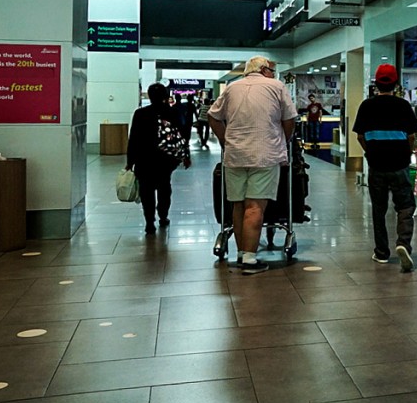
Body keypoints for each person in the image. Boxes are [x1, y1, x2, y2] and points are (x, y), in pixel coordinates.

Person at [208, 56, 297, 274]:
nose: (274, 74)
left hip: (235, 154)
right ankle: (249, 259)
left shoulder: (232, 87)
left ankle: (241, 252)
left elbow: (212, 116)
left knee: (238, 205)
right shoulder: (276, 87)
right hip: (264, 154)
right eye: (272, 70)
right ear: (264, 70)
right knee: (255, 205)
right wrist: (282, 141)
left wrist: (224, 141)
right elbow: (290, 119)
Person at [352, 64, 417, 272]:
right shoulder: (403, 106)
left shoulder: (366, 106)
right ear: (395, 83)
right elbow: (411, 136)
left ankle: (381, 252)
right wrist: (407, 153)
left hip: (376, 165)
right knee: (406, 206)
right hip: (399, 164)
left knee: (379, 209)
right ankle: (403, 243)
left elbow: (360, 136)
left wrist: (370, 151)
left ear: (376, 84)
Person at [126, 83, 191, 234]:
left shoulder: (140, 113)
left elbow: (134, 138)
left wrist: (130, 161)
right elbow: (182, 136)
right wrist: (185, 156)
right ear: (166, 96)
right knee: (164, 187)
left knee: (146, 191)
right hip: (165, 159)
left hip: (144, 159)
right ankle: (163, 215)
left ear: (149, 95)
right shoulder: (173, 112)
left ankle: (149, 221)